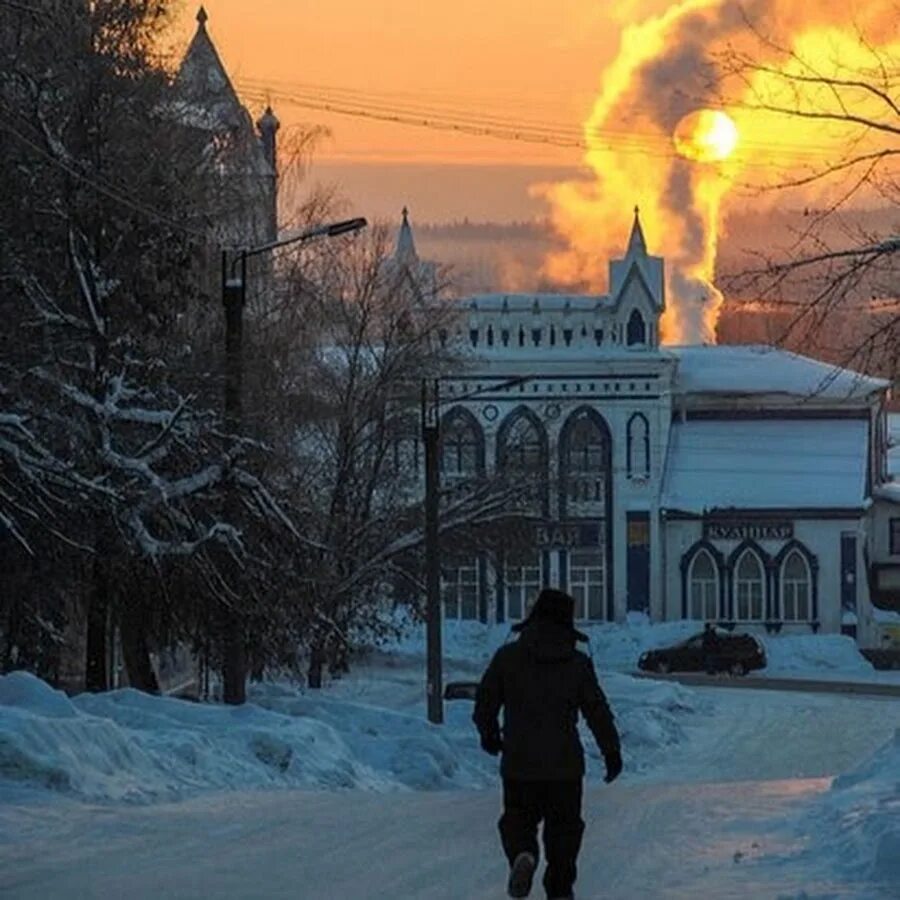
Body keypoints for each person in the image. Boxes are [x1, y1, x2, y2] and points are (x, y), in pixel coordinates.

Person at [473, 588, 622, 900]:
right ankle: (560, 888)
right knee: (564, 831)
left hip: (519, 762)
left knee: (517, 819)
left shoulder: (508, 657)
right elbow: (597, 710)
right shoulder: (577, 663)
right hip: (564, 767)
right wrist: (611, 751)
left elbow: (485, 700)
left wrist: (489, 734)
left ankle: (523, 855)